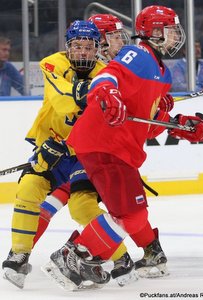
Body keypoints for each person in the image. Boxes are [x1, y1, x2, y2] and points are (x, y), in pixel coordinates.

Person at [42, 5, 203, 291]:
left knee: (130, 214)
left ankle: (86, 258)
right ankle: (74, 255)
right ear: (155, 33)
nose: (176, 36)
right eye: (171, 30)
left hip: (117, 148)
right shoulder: (139, 54)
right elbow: (107, 77)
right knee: (132, 214)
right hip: (104, 144)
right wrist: (108, 93)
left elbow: (148, 121)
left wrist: (182, 126)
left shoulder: (161, 73)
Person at [2, 20, 111, 289]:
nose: (82, 52)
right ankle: (19, 254)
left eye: (88, 47)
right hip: (52, 144)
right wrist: (91, 92)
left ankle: (111, 257)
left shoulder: (107, 73)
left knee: (83, 206)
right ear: (68, 47)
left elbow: (98, 123)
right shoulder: (52, 63)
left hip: (84, 153)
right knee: (28, 188)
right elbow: (62, 100)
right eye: (77, 46)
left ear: (97, 49)